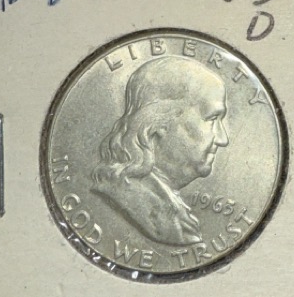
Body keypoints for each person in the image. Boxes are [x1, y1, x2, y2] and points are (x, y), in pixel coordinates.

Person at [92, 57, 229, 246]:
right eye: (212, 119)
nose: (222, 139)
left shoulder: (171, 210)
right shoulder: (145, 208)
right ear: (159, 122)